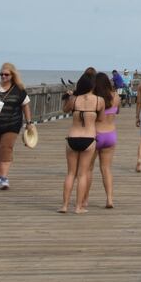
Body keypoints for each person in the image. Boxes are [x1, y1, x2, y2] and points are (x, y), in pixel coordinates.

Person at [0, 62, 33, 190]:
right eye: (1, 74)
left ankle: (4, 178)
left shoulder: (19, 89)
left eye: (6, 74)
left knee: (5, 148)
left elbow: (25, 106)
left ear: (12, 75)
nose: (3, 76)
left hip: (12, 124)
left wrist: (29, 123)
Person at [60, 72, 100, 213]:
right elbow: (100, 118)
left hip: (72, 138)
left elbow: (64, 110)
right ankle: (78, 207)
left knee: (71, 173)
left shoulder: (74, 100)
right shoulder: (98, 100)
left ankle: (64, 205)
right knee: (82, 174)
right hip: (89, 139)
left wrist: (69, 97)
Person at [92, 71, 120, 209]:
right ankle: (109, 199)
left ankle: (84, 200)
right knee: (106, 168)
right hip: (110, 134)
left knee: (87, 169)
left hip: (95, 134)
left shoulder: (95, 99)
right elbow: (117, 111)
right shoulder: (116, 97)